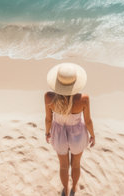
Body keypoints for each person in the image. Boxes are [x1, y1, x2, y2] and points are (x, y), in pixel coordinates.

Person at [44, 63, 95, 196]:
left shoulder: (49, 97)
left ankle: (65, 190)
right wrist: (92, 135)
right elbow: (88, 121)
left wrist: (47, 132)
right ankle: (74, 188)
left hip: (59, 134)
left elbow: (48, 119)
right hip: (77, 135)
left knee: (63, 166)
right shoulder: (83, 99)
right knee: (76, 165)